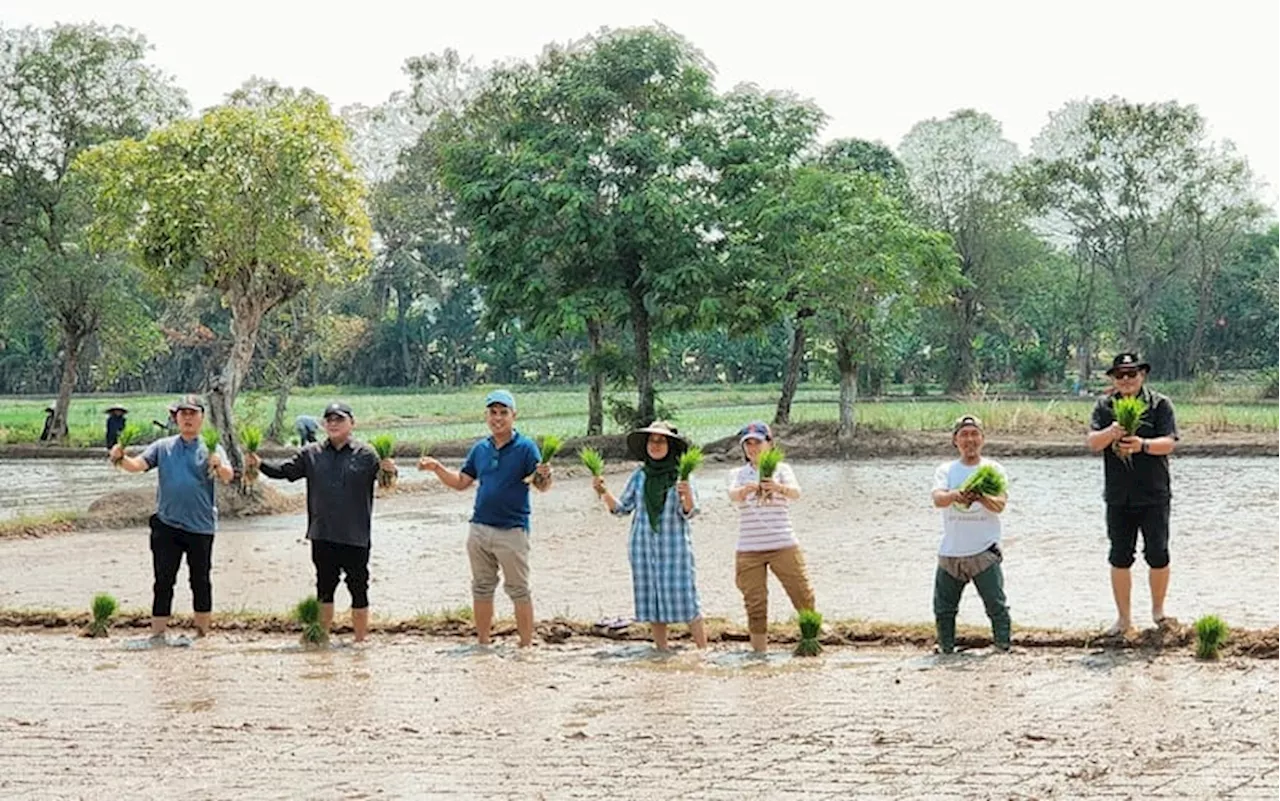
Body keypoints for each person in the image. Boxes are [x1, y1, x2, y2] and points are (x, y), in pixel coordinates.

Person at [248, 402, 395, 644]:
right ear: (324, 424)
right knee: (324, 588)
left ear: (352, 423)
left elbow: (387, 484)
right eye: (329, 420)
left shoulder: (368, 454)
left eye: (339, 419)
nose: (334, 423)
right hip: (323, 534)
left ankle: (360, 641)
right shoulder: (311, 454)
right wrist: (259, 464)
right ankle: (322, 639)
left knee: (359, 588)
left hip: (356, 535)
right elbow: (286, 472)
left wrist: (390, 470)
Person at [418, 390, 552, 648]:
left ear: (514, 415)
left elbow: (542, 486)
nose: (498, 418)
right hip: (479, 529)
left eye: (504, 413)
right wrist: (437, 468)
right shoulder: (480, 448)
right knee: (481, 588)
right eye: (493, 412)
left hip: (512, 531)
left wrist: (545, 475)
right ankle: (482, 643)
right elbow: (461, 482)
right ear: (486, 415)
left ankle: (525, 646)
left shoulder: (526, 448)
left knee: (519, 590)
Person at [110, 394, 235, 643]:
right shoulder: (163, 446)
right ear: (176, 417)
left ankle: (202, 634)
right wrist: (120, 457)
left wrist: (218, 465)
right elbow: (137, 466)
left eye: (193, 413)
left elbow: (228, 476)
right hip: (167, 525)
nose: (188, 418)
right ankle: (157, 634)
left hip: (201, 526)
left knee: (200, 580)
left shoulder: (212, 447)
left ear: (201, 417)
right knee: (163, 580)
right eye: (183, 413)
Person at [592, 420, 707, 651]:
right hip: (643, 548)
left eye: (661, 441)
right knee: (653, 601)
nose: (655, 445)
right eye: (651, 441)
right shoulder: (640, 476)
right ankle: (661, 651)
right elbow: (622, 509)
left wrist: (687, 497)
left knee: (687, 599)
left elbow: (690, 513)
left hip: (674, 550)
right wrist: (603, 492)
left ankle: (703, 651)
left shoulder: (681, 476)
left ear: (670, 446)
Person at [1087, 352, 1179, 637]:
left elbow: (1169, 443)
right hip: (1118, 496)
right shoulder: (1105, 407)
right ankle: (1124, 619)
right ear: (1113, 379)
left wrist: (1142, 445)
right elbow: (1092, 442)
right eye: (1120, 375)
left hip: (1154, 494)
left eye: (1131, 373)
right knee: (1119, 556)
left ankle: (1158, 613)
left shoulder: (1160, 405)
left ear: (1142, 375)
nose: (1126, 379)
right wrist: (1112, 432)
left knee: (1158, 553)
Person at [726, 421, 815, 654]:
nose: (753, 448)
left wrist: (777, 487)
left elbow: (797, 493)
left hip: (782, 543)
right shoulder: (738, 474)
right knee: (755, 603)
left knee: (802, 593)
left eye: (757, 442)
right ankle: (759, 654)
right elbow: (732, 495)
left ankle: (811, 642)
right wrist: (745, 490)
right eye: (748, 444)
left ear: (769, 444)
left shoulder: (782, 470)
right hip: (749, 548)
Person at [930, 415, 1011, 653]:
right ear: (955, 440)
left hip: (984, 552)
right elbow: (938, 499)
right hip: (950, 552)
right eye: (964, 435)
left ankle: (1002, 647)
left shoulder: (993, 469)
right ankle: (946, 648)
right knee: (943, 608)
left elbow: (1000, 505)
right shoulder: (946, 470)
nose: (970, 440)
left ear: (982, 439)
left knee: (996, 604)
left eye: (974, 434)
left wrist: (980, 496)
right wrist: (958, 494)